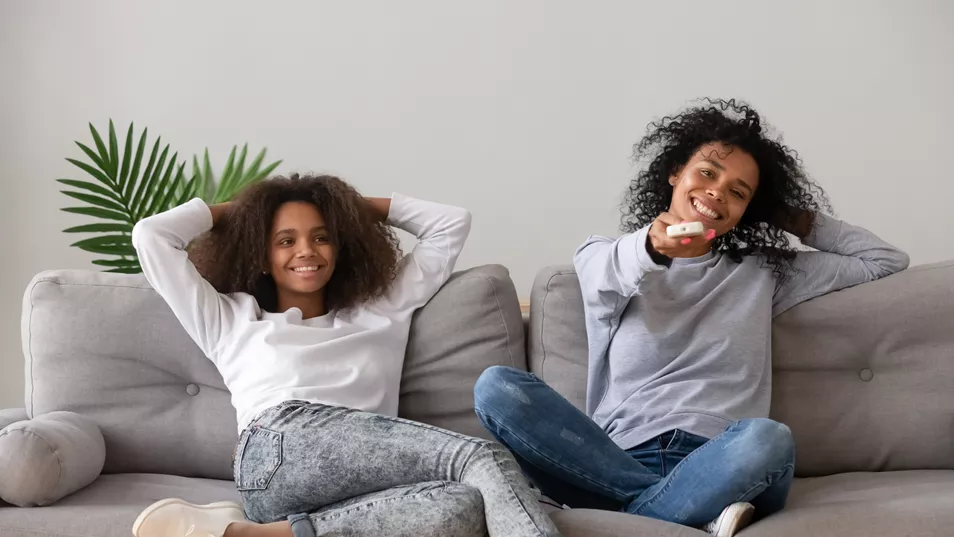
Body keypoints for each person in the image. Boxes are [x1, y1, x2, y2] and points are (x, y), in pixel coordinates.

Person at [473, 99, 910, 537]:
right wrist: (653, 247)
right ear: (675, 172)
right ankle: (690, 512)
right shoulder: (609, 259)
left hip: (724, 460)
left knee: (769, 439)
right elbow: (618, 264)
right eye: (707, 172)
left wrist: (784, 214)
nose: (718, 190)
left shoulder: (765, 272)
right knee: (496, 386)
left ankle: (638, 510)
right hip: (614, 458)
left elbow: (883, 259)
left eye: (739, 192)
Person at [129, 174, 561, 537]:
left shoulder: (382, 309)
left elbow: (450, 224)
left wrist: (346, 209)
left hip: (339, 487)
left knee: (463, 505)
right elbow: (152, 236)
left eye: (322, 237)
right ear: (261, 255)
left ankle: (256, 535)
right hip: (276, 449)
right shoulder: (231, 318)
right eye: (285, 240)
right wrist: (245, 214)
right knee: (482, 457)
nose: (307, 251)